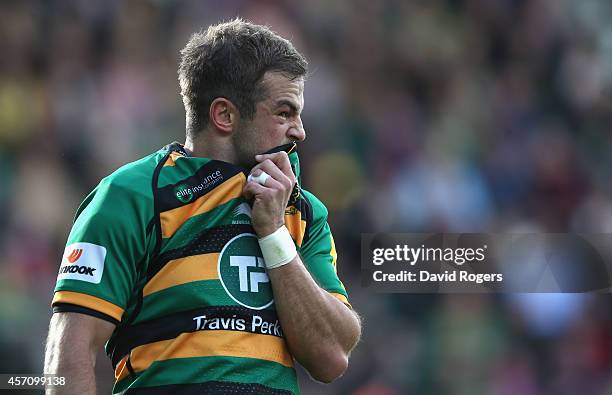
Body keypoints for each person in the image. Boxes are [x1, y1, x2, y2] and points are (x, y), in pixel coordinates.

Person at [44, 18, 361, 394]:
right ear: (224, 115)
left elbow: (331, 357)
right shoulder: (132, 195)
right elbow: (70, 349)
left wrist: (274, 234)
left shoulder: (302, 212)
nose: (300, 130)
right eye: (284, 112)